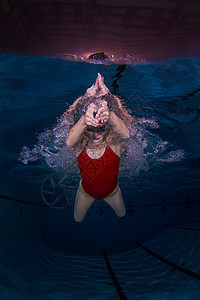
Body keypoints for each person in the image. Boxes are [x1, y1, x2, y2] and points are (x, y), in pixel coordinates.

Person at [66, 73, 130, 222]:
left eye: (101, 129)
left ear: (108, 129)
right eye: (90, 128)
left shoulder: (113, 143)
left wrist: (111, 116)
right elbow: (69, 142)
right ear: (84, 131)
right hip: (85, 192)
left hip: (112, 192)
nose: (96, 134)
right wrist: (83, 120)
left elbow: (126, 134)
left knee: (122, 214)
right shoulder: (81, 144)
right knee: (77, 219)